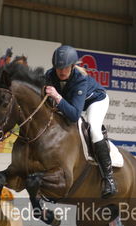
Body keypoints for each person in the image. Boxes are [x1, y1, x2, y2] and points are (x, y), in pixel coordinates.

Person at [45, 45, 116, 199]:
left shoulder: (80, 79)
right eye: (58, 68)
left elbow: (74, 115)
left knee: (93, 130)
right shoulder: (49, 76)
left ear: (72, 66)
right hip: (74, 103)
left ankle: (109, 179)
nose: (61, 71)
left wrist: (57, 96)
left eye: (65, 68)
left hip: (95, 101)